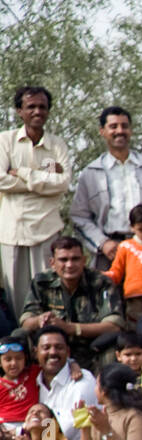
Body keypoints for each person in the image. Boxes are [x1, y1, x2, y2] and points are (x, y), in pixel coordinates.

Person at [70, 106, 142, 270]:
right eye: (113, 126)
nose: (120, 131)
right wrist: (102, 243)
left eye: (124, 126)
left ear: (131, 130)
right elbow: (79, 217)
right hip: (111, 252)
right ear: (102, 131)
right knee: (109, 295)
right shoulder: (91, 173)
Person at [0, 85, 71, 314]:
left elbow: (62, 183)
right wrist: (43, 182)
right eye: (31, 107)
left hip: (46, 230)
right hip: (13, 231)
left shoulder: (57, 144)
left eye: (42, 107)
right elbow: (1, 180)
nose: (37, 111)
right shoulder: (5, 141)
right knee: (15, 301)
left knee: (48, 299)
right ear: (19, 111)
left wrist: (21, 172)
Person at [19, 237, 124, 367]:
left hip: (91, 348)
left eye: (75, 259)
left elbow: (113, 326)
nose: (69, 265)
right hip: (53, 348)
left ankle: (105, 386)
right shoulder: (42, 282)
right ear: (52, 263)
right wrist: (40, 320)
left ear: (84, 260)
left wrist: (70, 328)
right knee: (19, 337)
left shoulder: (101, 282)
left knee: (113, 344)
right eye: (63, 260)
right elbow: (26, 323)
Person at [33, 327, 98, 440]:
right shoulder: (31, 380)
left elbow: (68, 430)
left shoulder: (82, 379)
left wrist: (31, 430)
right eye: (46, 348)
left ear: (68, 352)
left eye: (59, 347)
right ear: (35, 352)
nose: (52, 352)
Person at [0, 335, 39, 428]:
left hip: (31, 424)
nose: (13, 363)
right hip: (5, 426)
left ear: (25, 359)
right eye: (8, 359)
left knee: (50, 428)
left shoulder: (33, 373)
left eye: (18, 358)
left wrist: (73, 364)